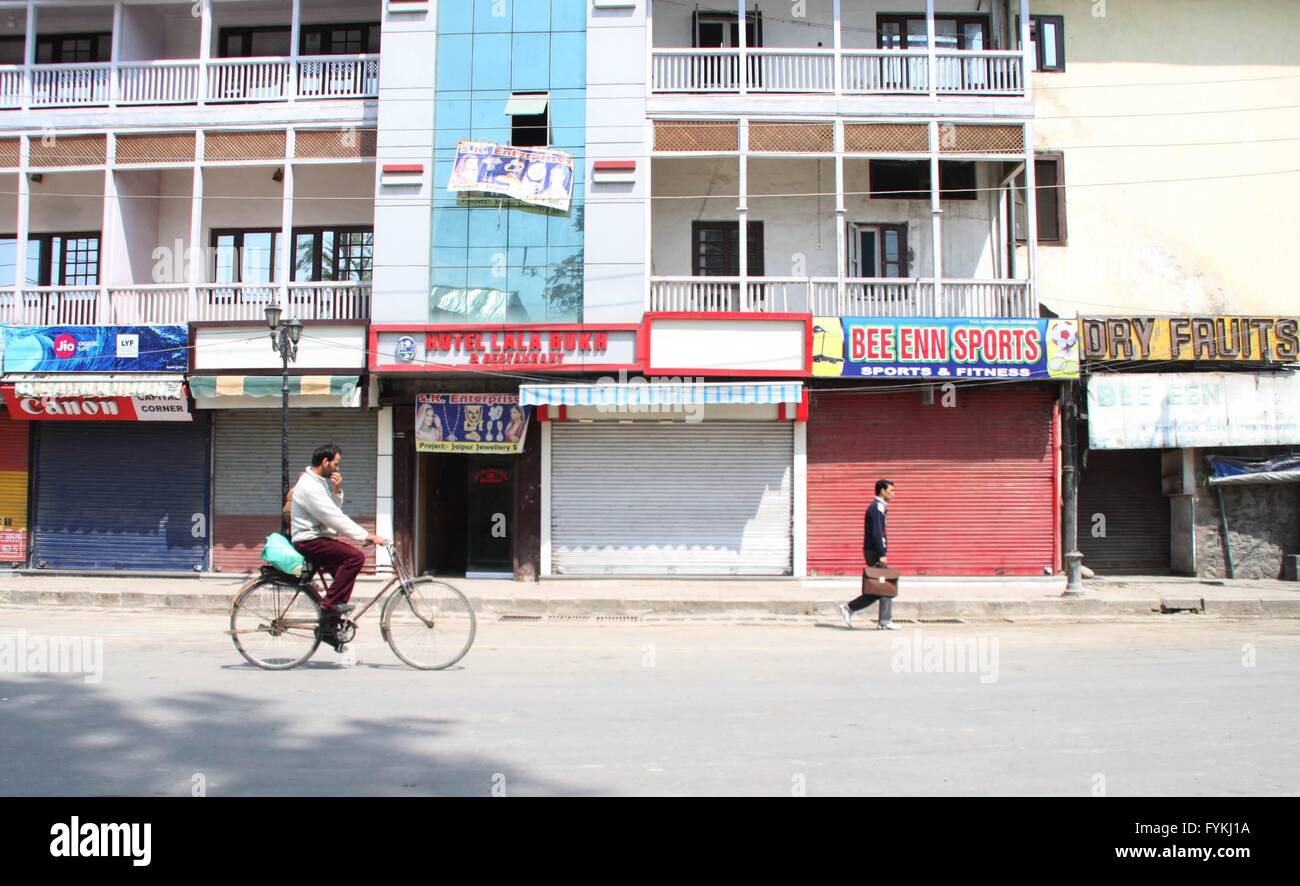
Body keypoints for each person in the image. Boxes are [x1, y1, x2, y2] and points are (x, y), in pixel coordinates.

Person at [290, 444, 388, 647]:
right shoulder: (309, 485)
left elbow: (331, 510)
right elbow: (332, 517)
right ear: (325, 462)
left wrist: (337, 491)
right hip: (309, 540)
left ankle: (329, 628)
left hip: (317, 537)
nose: (337, 469)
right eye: (336, 464)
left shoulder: (319, 482)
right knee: (355, 558)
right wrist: (366, 535)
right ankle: (328, 608)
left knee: (343, 578)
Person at [840, 479, 901, 630]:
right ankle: (882, 620)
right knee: (885, 584)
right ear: (883, 491)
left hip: (873, 550)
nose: (894, 494)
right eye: (891, 491)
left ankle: (855, 610)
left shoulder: (879, 507)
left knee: (879, 586)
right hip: (875, 551)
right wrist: (882, 552)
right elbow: (877, 533)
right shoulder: (877, 507)